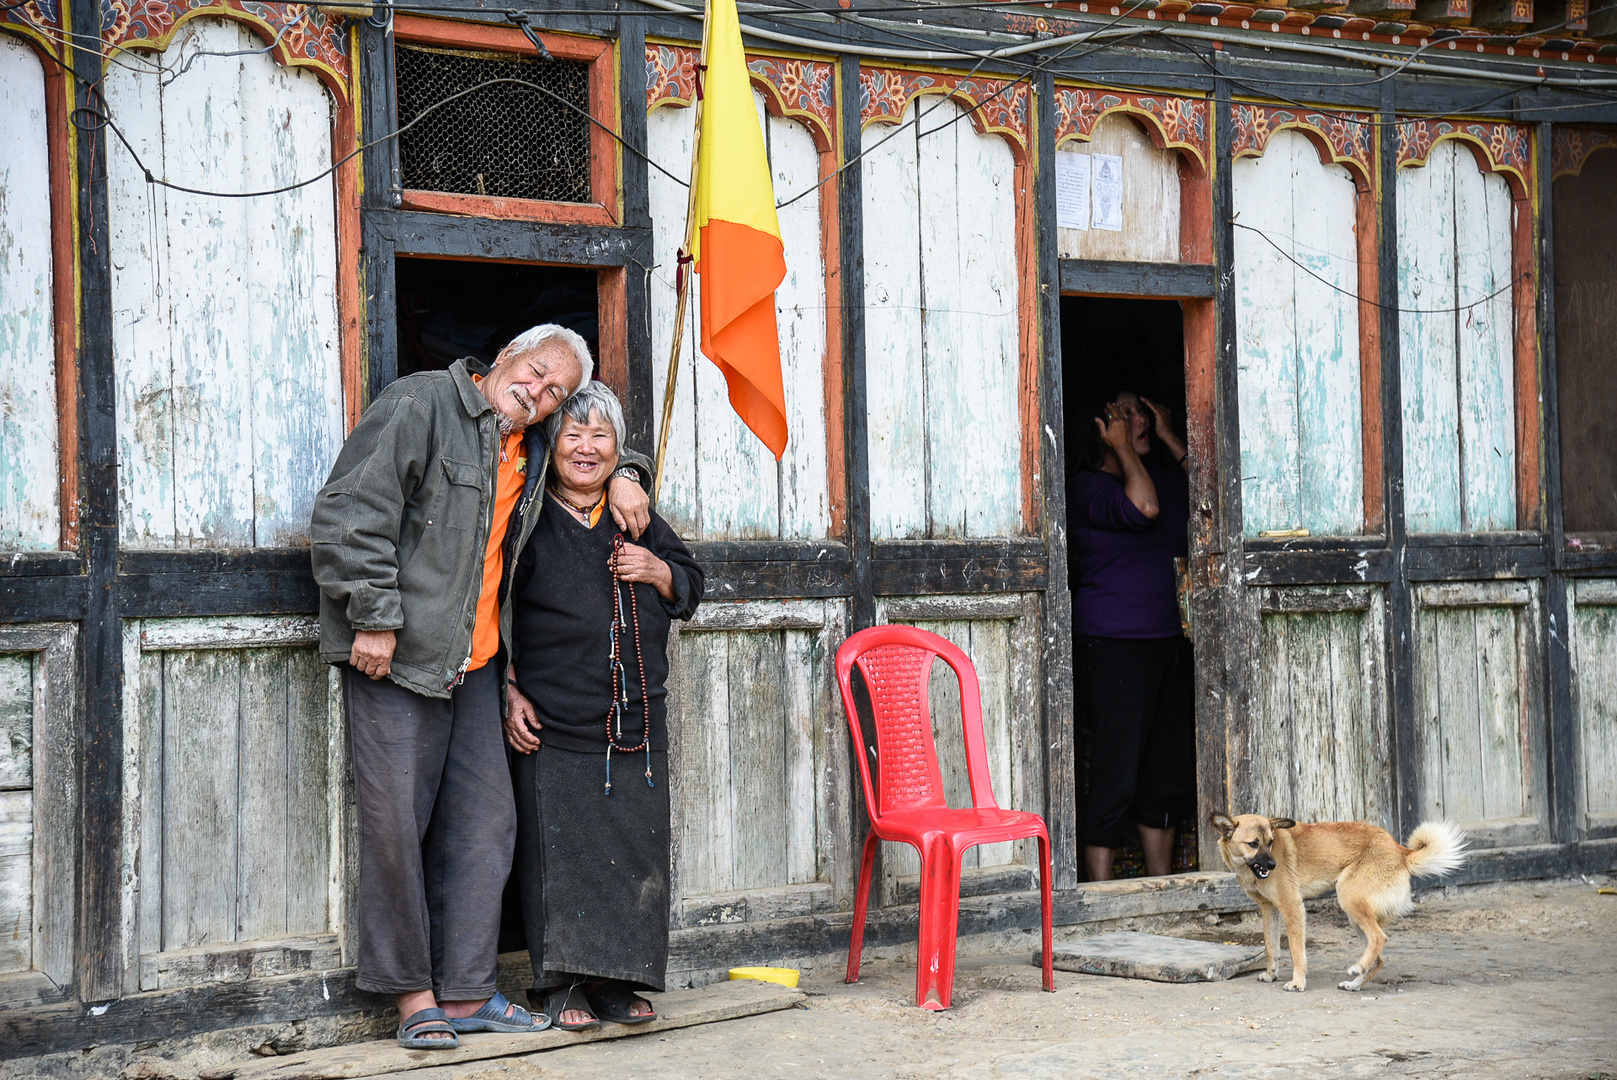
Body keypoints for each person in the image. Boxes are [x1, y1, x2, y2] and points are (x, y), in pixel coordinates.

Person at [310, 326, 653, 1049]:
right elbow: (350, 512)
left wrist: (630, 473)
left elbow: (593, 450)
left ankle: (467, 993)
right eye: (534, 373)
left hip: (475, 669)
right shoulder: (422, 402)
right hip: (396, 657)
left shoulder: (527, 444)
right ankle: (413, 998)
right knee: (397, 827)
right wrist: (371, 616)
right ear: (502, 359)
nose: (537, 392)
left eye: (553, 390)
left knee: (486, 825)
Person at [503, 382, 703, 1031]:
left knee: (632, 853)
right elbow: (493, 610)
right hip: (555, 721)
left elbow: (690, 585)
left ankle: (620, 982)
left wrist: (659, 569)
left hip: (634, 722)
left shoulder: (635, 517)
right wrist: (507, 687)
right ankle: (560, 987)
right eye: (573, 434)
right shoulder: (527, 520)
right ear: (550, 444)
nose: (585, 448)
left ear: (618, 453)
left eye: (600, 437)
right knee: (557, 855)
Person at [1068, 387, 1193, 882]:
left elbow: (1216, 497)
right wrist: (1122, 447)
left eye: (1144, 411)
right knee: (1117, 770)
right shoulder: (1087, 488)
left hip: (1170, 641)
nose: (1139, 419)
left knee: (1166, 770)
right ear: (1101, 429)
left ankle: (1159, 887)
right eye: (1124, 413)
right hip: (1115, 644)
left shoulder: (1161, 478)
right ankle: (1100, 896)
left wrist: (1169, 437)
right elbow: (1144, 509)